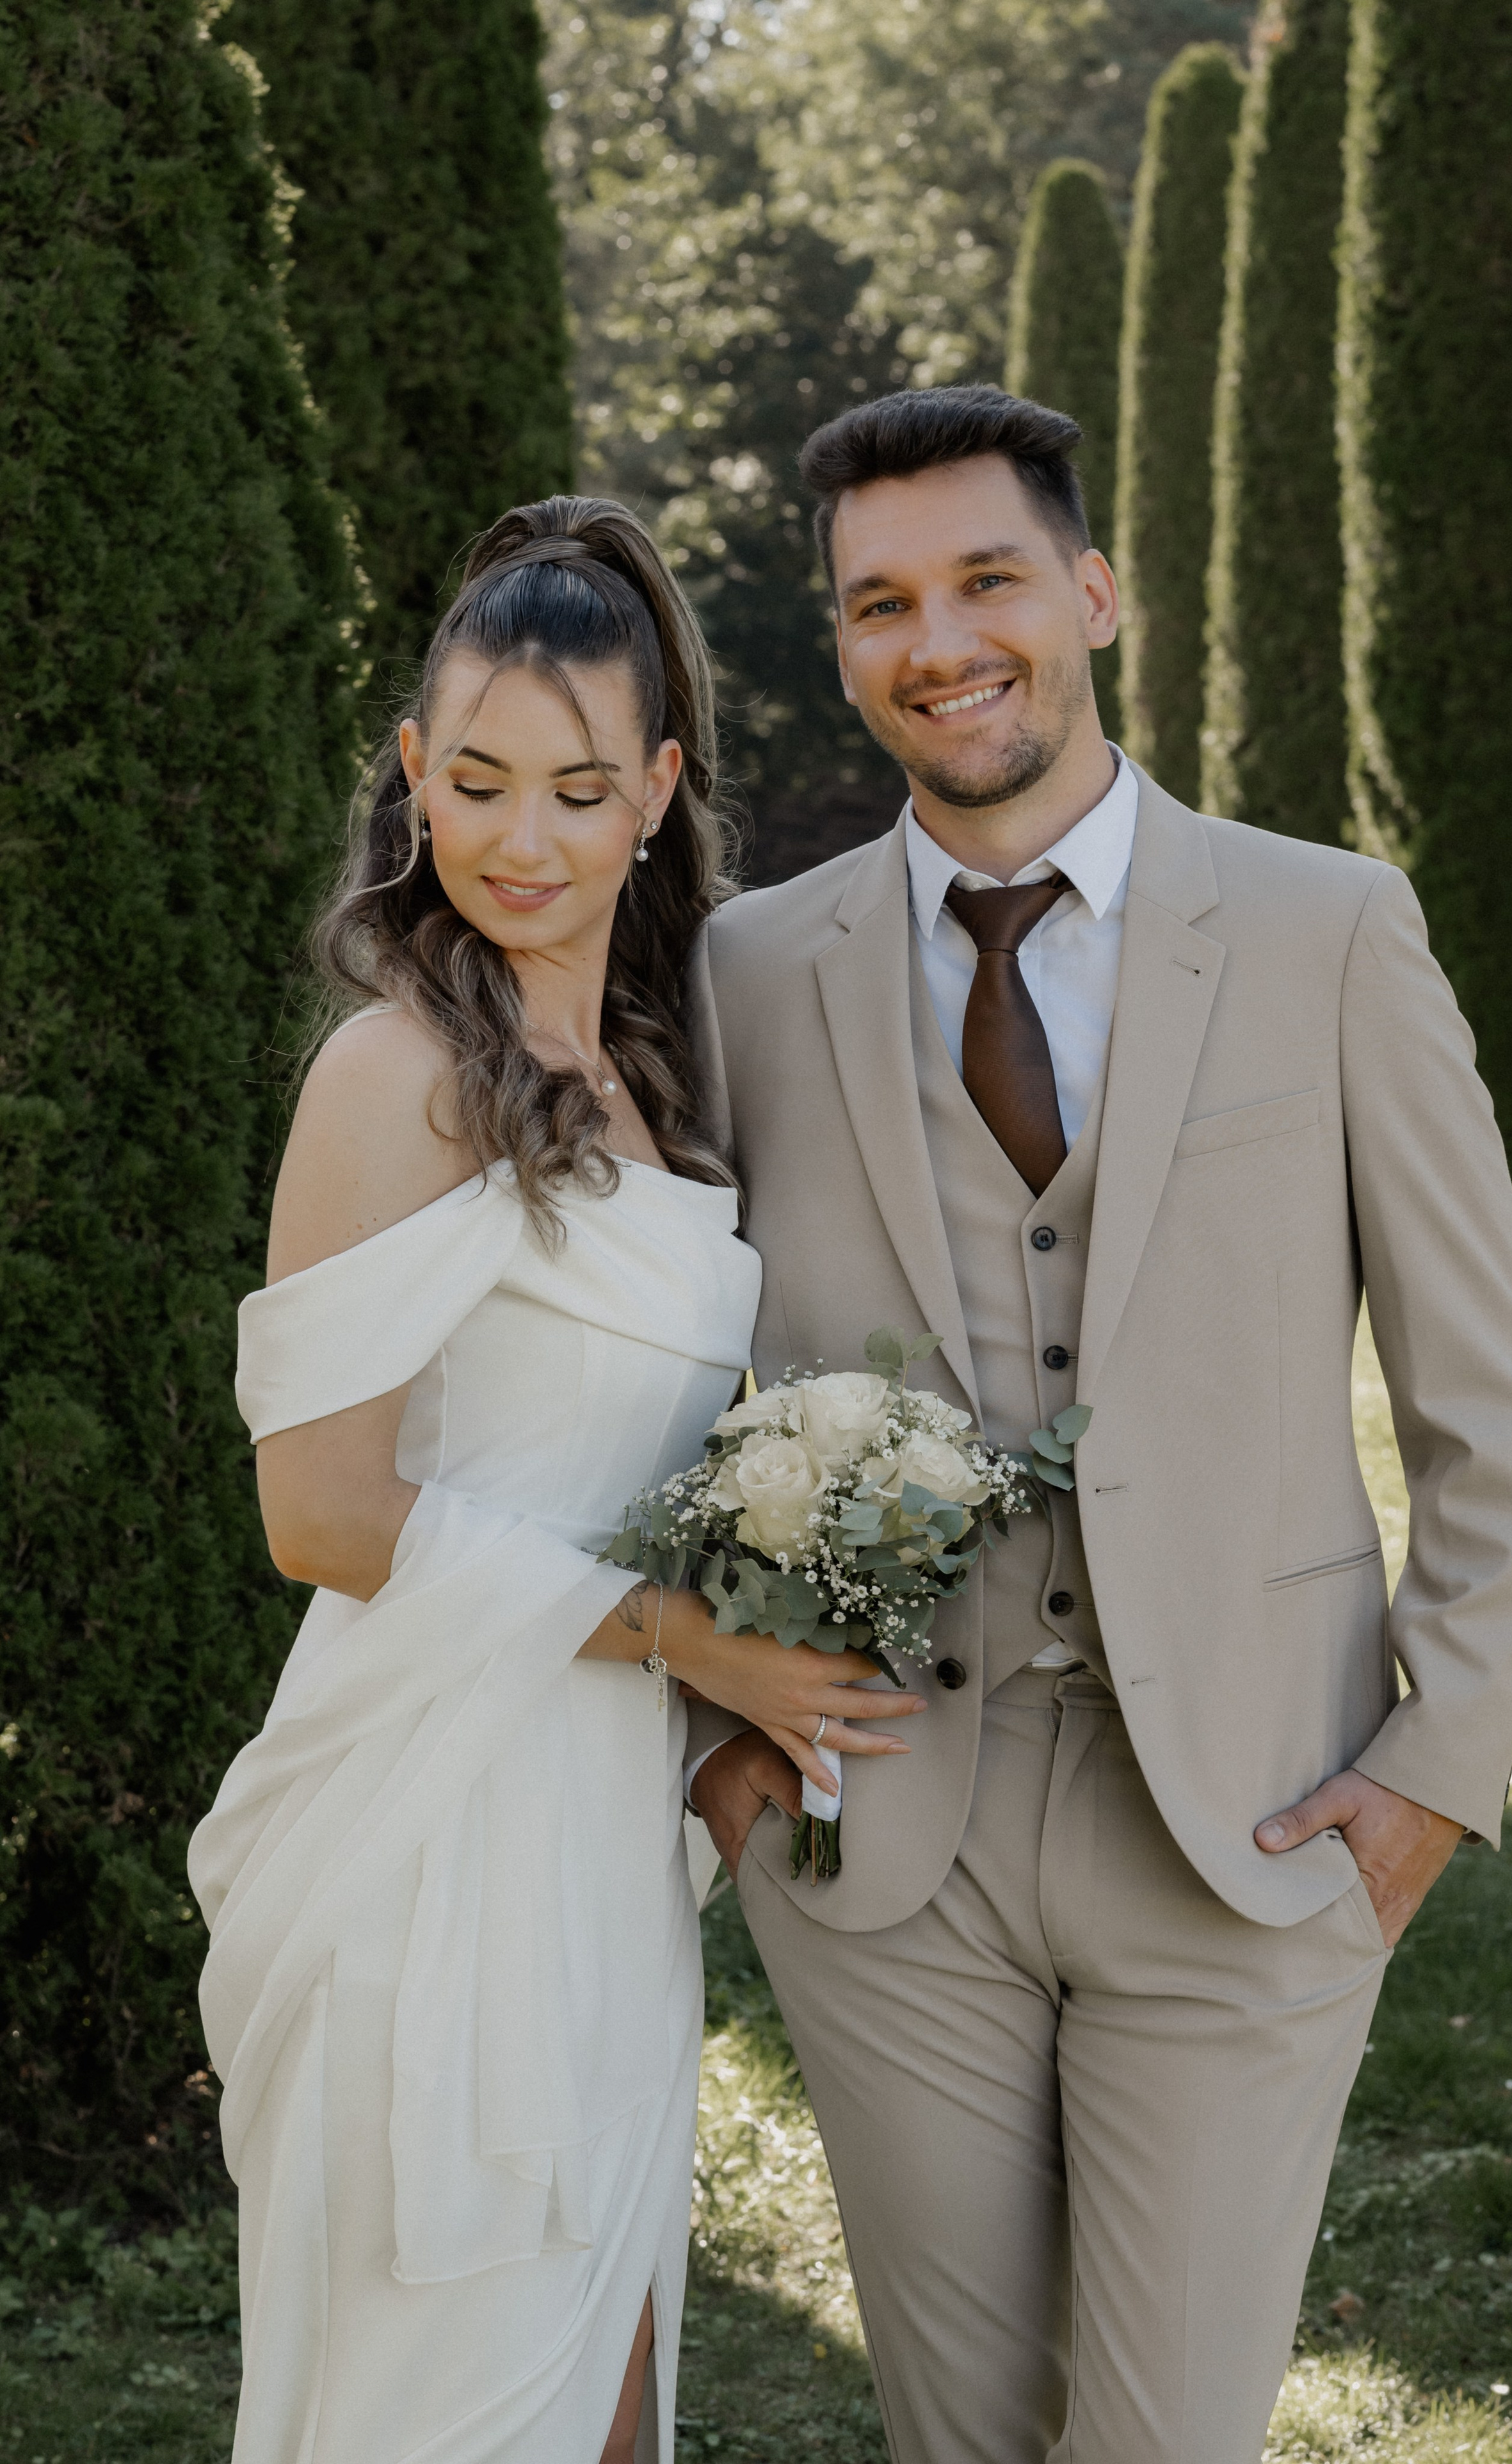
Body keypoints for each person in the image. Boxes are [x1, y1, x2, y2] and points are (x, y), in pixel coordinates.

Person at [686, 387, 1512, 2464]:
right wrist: (720, 1741)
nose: (941, 642)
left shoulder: (1327, 929)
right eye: (881, 603)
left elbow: (1491, 1400)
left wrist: (1429, 1777)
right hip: (885, 1828)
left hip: (1253, 1817)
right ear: (842, 643)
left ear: (1092, 594)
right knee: (963, 2437)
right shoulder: (749, 972)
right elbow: (655, 1376)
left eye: (988, 579)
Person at [188, 498, 920, 2464]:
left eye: (581, 792)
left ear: (658, 793)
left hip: (602, 1839)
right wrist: (694, 1643)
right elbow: (321, 1516)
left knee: (608, 2411)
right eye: (480, 781)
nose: (523, 839)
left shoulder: (661, 1088)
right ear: (414, 771)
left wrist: (735, 1698)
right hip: (432, 1840)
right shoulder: (394, 1074)